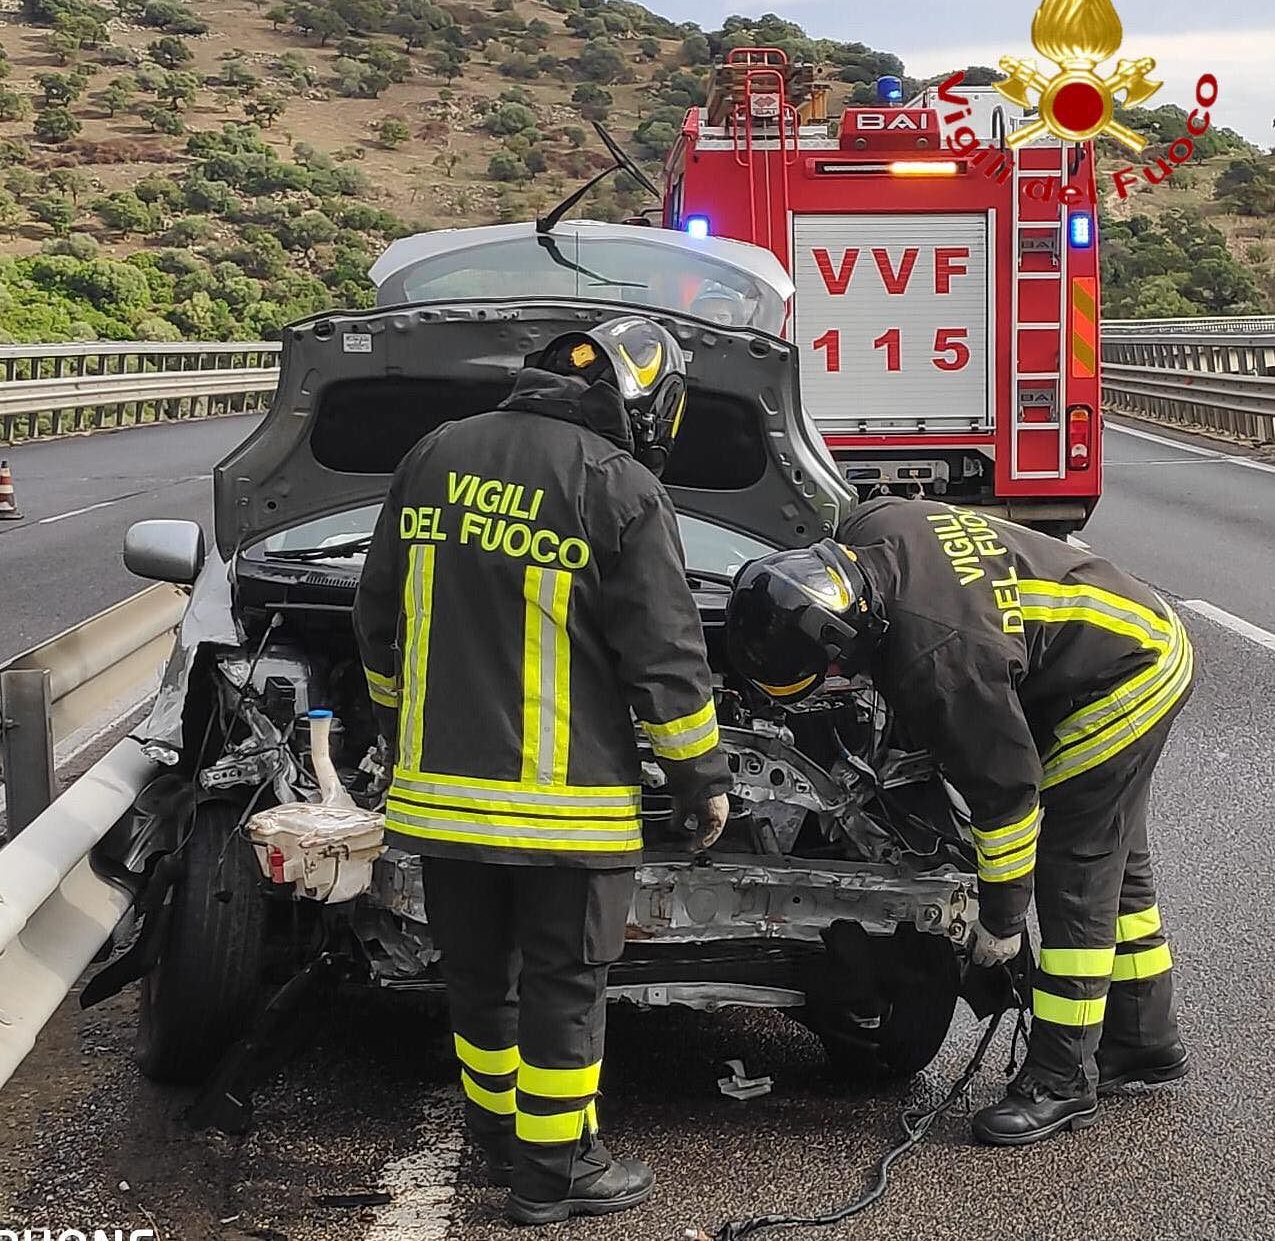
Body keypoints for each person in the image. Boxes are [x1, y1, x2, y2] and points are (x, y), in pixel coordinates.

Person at [353, 316, 731, 1224]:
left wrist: (402, 729)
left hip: (440, 803)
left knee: (480, 979)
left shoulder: (435, 454)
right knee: (565, 984)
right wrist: (698, 778)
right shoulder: (618, 484)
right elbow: (665, 656)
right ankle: (557, 1169)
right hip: (566, 808)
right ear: (646, 403)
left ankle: (496, 1140)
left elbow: (376, 615)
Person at [724, 495, 1192, 1146]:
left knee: (1073, 866)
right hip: (1114, 630)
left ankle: (1061, 1081)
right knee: (1117, 861)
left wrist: (998, 928)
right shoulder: (868, 527)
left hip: (1129, 671)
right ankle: (1141, 1038)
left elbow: (1006, 802)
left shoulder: (940, 660)